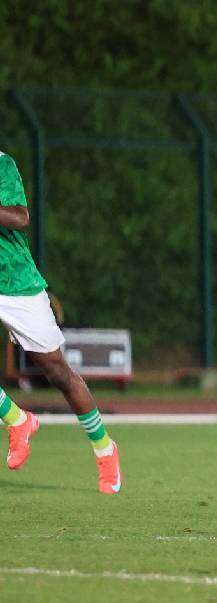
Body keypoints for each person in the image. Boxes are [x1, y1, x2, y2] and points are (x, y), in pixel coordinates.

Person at [0, 149, 121, 494]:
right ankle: (15, 419)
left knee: (57, 372)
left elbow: (21, 217)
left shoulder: (2, 164)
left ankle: (104, 448)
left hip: (15, 282)